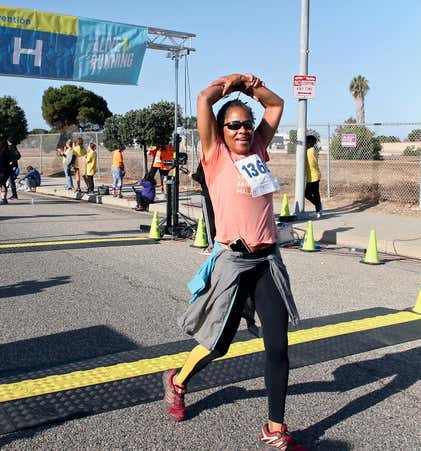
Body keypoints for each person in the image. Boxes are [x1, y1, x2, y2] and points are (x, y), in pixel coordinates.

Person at [162, 73, 304, 451]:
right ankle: (177, 381)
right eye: (234, 125)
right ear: (221, 131)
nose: (242, 130)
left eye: (247, 124)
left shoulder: (258, 147)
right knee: (218, 343)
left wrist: (253, 85)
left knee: (278, 345)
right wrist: (234, 82)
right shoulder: (214, 155)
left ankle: (275, 428)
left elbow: (275, 105)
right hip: (233, 262)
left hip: (267, 261)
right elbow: (205, 99)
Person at [190, 161, 216, 250]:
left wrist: (192, 176)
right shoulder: (220, 157)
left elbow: (200, 177)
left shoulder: (205, 160)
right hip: (219, 191)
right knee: (218, 218)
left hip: (207, 192)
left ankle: (211, 245)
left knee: (209, 219)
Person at [304, 134, 323, 218]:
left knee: (308, 194)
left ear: (309, 143)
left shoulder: (310, 151)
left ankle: (318, 208)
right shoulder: (313, 150)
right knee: (315, 194)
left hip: (313, 176)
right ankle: (318, 208)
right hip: (313, 175)